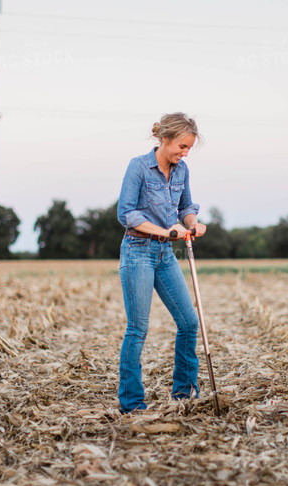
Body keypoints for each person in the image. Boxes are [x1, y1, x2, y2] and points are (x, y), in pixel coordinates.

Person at [116, 112, 207, 413]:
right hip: (138, 250)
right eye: (182, 146)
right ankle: (131, 404)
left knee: (189, 322)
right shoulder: (138, 167)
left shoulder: (182, 171)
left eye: (189, 148)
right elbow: (126, 214)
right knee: (138, 329)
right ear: (165, 139)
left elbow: (186, 207)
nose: (185, 153)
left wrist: (193, 223)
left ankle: (183, 394)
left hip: (165, 255)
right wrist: (167, 231)